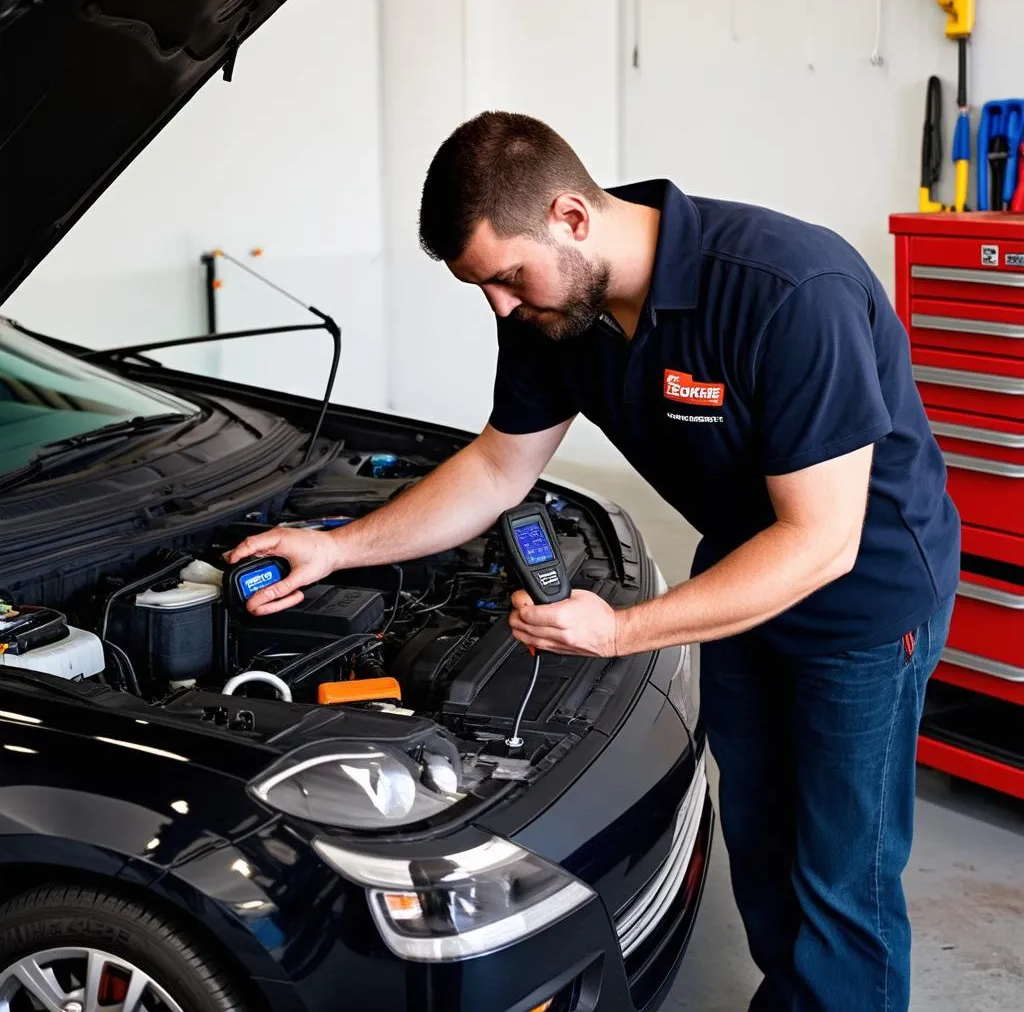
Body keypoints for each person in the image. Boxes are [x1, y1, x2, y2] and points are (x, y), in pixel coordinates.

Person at [225, 112, 960, 1012]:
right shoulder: (554, 313)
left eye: (504, 276)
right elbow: (499, 467)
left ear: (571, 216)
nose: (500, 306)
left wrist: (621, 630)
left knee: (844, 881)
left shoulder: (787, 288)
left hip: (862, 602)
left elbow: (821, 542)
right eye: (480, 288)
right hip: (740, 571)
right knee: (764, 852)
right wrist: (336, 548)